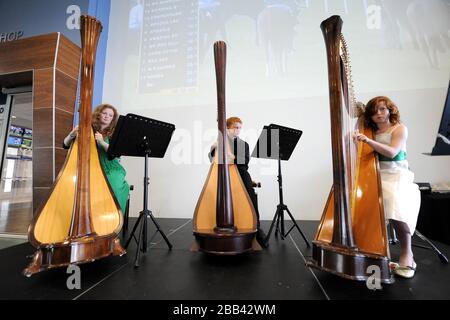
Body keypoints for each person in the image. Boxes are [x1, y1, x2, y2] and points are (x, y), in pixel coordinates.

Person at [355, 96, 421, 278]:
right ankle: (374, 250)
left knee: (394, 204)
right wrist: (352, 137)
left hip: (397, 176)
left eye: (382, 109)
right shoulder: (369, 130)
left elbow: (392, 152)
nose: (378, 114)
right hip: (376, 176)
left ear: (390, 110)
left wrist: (368, 141)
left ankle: (408, 253)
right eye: (374, 111)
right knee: (363, 204)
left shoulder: (400, 129)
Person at [209, 117, 268, 248]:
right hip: (223, 175)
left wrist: (232, 157)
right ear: (227, 128)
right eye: (235, 127)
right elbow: (211, 159)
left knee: (251, 196)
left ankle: (257, 228)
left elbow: (244, 161)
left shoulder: (243, 144)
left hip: (241, 173)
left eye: (240, 127)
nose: (238, 130)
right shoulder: (220, 143)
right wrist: (216, 147)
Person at [63, 104, 130, 215]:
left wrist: (102, 142)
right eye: (104, 113)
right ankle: (88, 218)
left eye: (110, 115)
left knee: (114, 185)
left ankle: (114, 219)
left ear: (113, 119)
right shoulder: (87, 129)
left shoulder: (114, 133)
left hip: (111, 168)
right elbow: (65, 145)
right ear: (98, 114)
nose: (107, 116)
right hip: (91, 168)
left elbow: (116, 154)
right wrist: (71, 134)